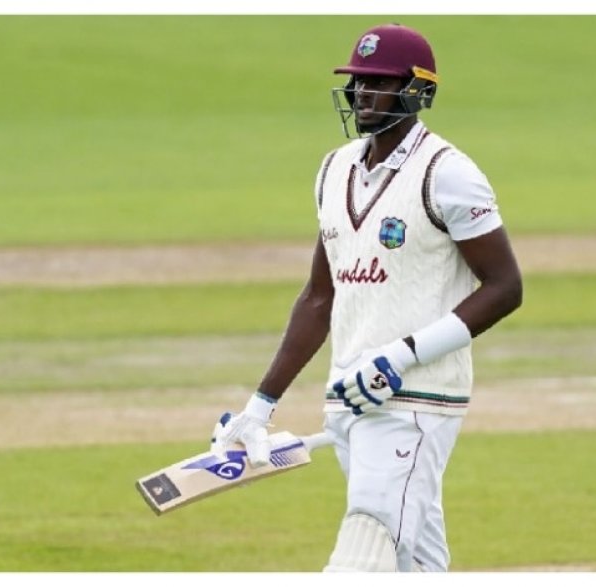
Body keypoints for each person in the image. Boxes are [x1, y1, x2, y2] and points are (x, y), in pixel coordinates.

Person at [211, 22, 523, 572]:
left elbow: (504, 288)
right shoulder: (333, 170)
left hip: (418, 398)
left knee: (364, 552)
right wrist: (260, 407)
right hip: (349, 400)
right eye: (357, 81)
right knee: (416, 564)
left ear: (416, 90)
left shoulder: (449, 174)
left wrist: (400, 357)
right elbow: (317, 297)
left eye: (377, 82)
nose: (360, 94)